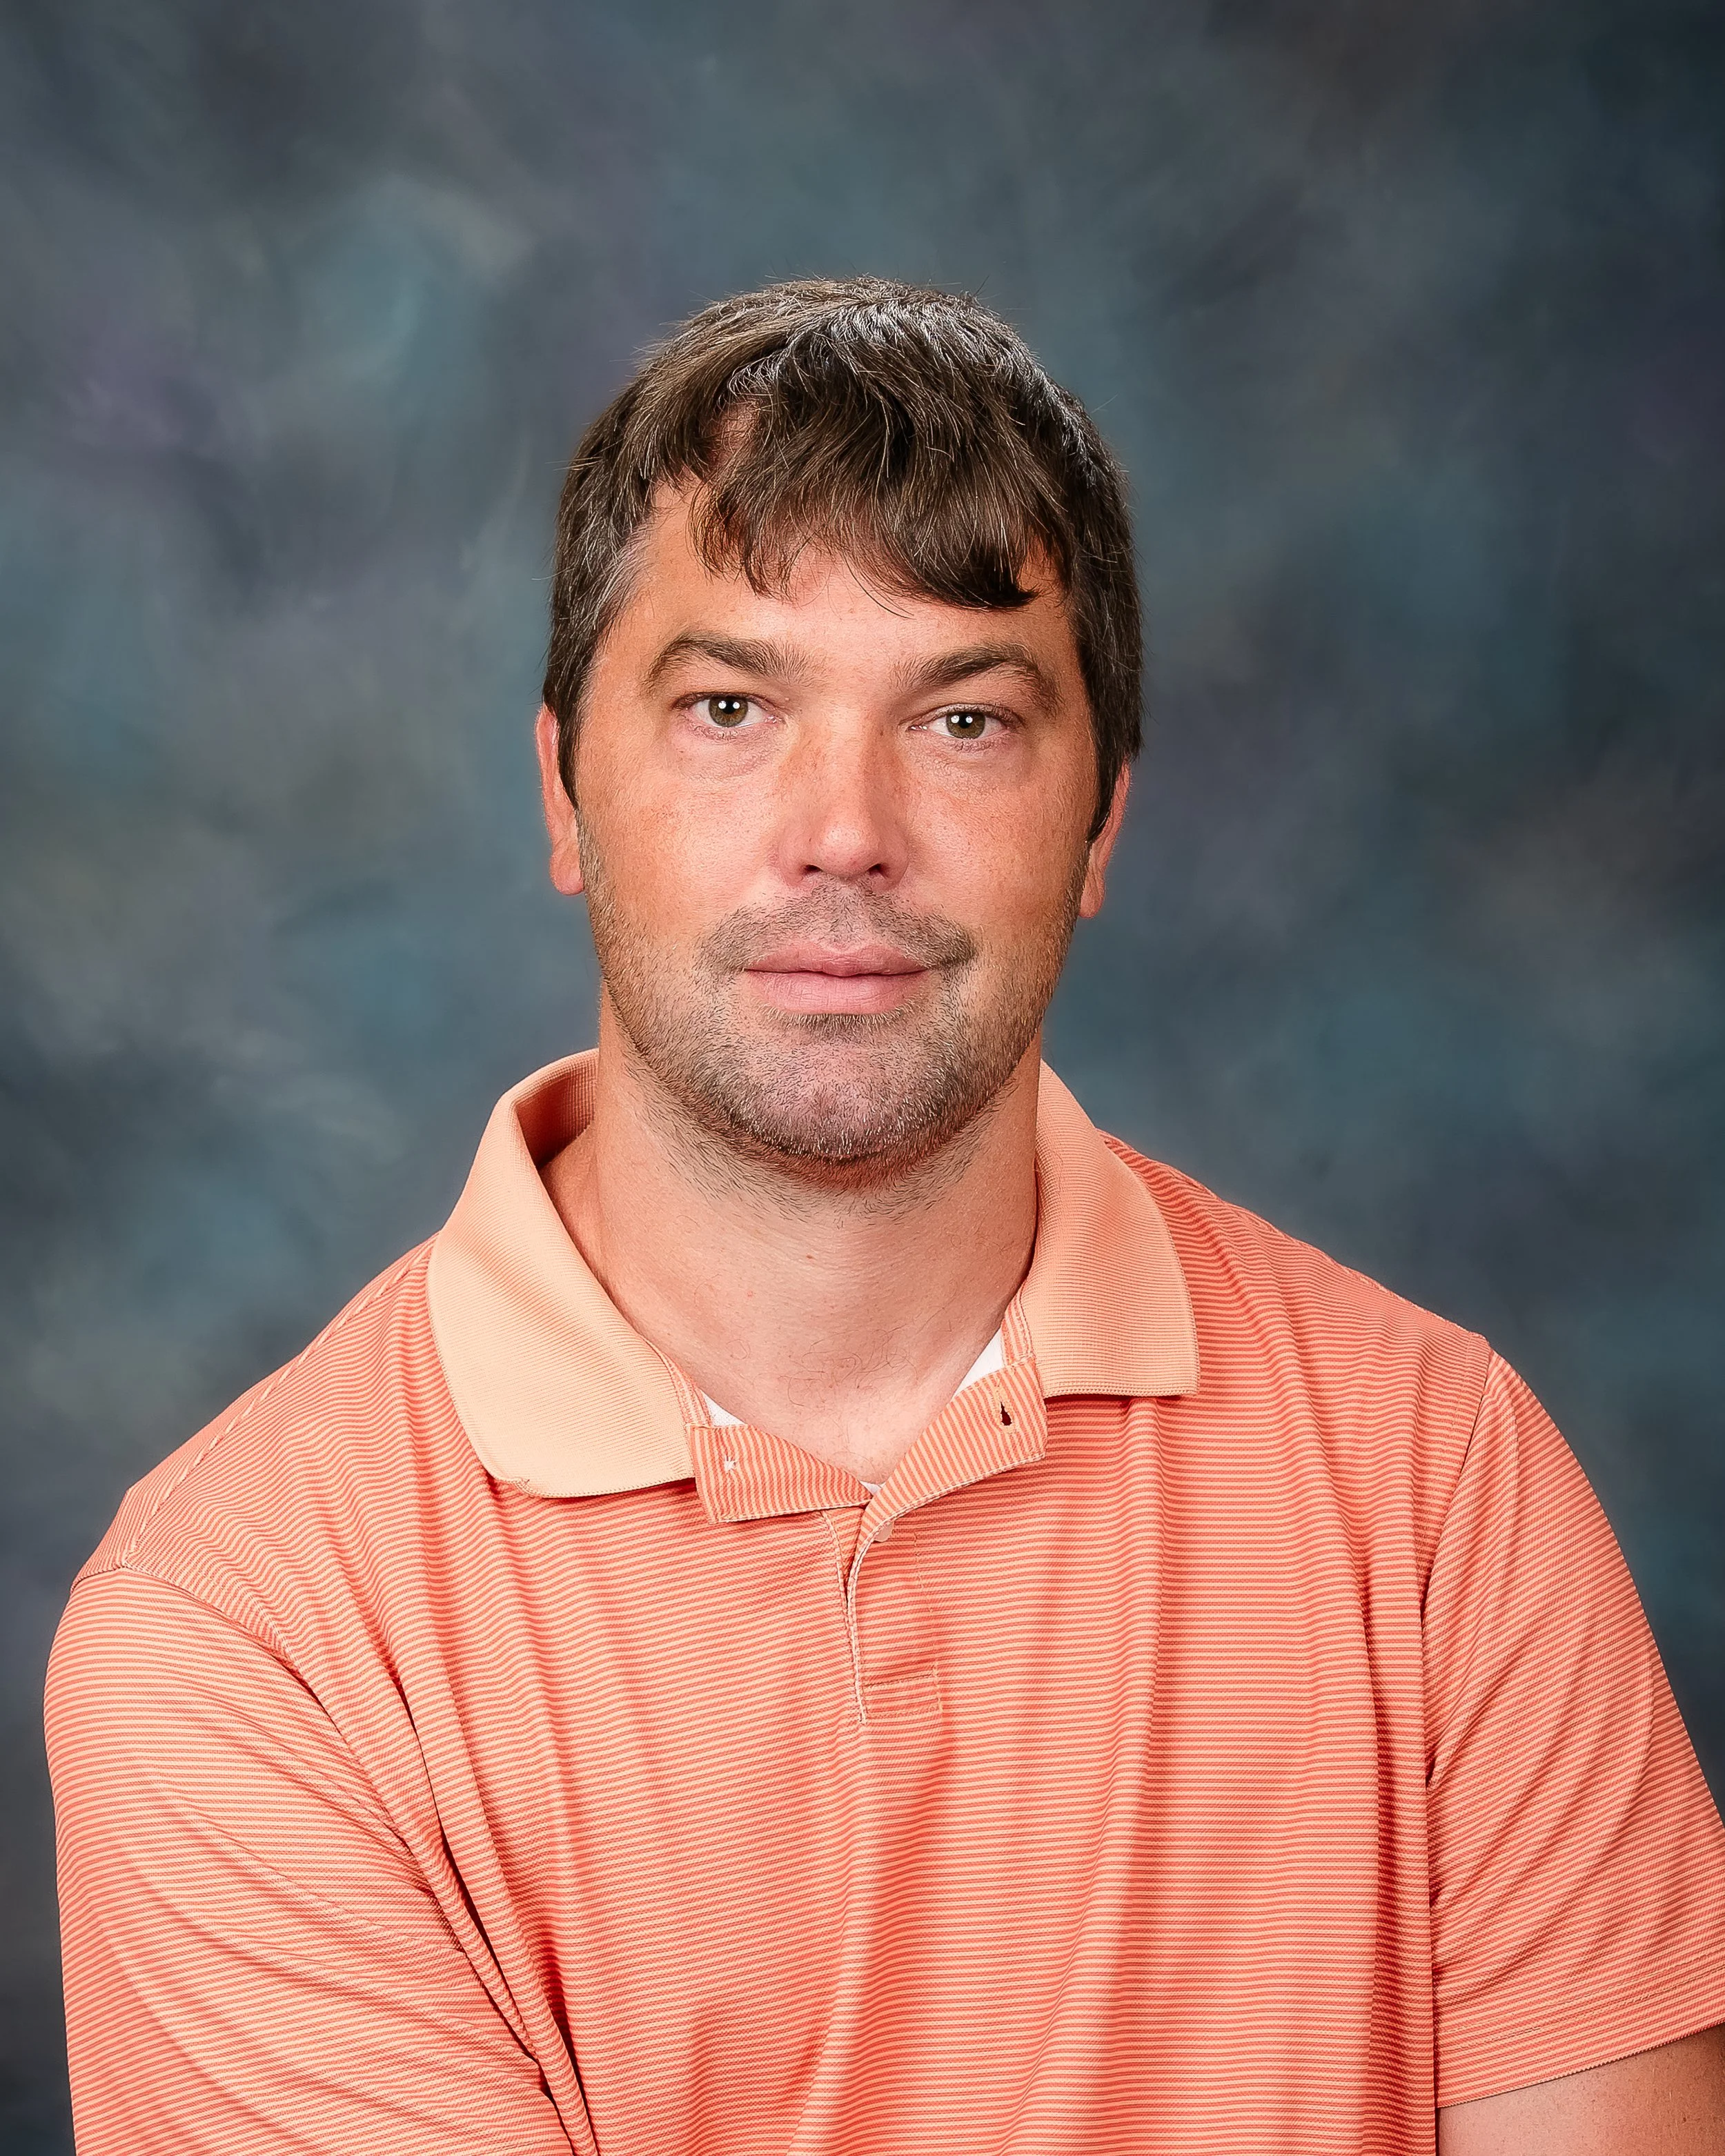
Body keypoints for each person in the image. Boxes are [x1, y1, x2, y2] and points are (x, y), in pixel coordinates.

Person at [46, 276, 1725, 2156]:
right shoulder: (243, 1626)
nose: (842, 828)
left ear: (1100, 826)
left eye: (965, 720)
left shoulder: (1433, 1483)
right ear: (566, 795)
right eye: (730, 707)